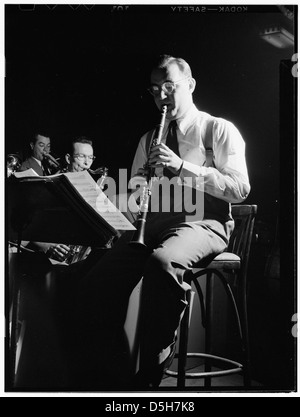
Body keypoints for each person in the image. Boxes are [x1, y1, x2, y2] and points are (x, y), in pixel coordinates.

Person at [69, 54, 251, 390]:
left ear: (190, 85)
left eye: (169, 87)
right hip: (153, 226)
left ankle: (153, 369)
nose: (161, 97)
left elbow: (239, 188)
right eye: (155, 91)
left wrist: (182, 167)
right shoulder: (149, 138)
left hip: (203, 222)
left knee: (163, 262)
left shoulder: (218, 129)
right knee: (96, 282)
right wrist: (110, 200)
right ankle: (115, 374)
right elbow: (134, 196)